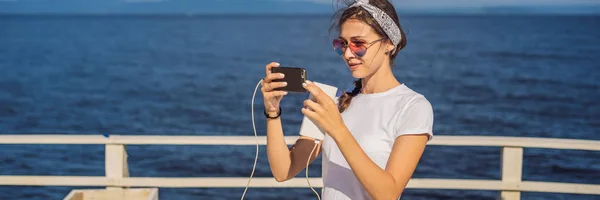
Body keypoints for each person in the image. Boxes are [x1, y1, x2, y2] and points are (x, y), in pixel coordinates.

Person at [260, 0, 434, 199]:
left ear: (388, 43)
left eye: (358, 43)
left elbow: (388, 193)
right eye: (342, 44)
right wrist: (272, 112)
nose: (348, 54)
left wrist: (337, 129)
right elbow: (284, 171)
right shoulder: (332, 105)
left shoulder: (413, 107)